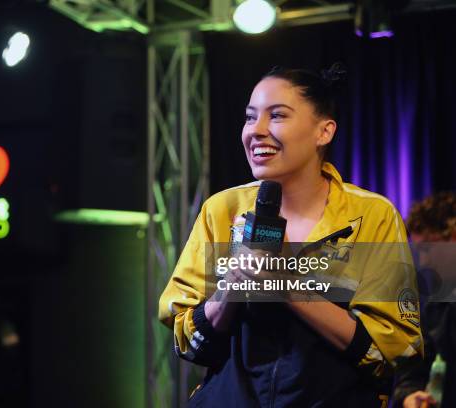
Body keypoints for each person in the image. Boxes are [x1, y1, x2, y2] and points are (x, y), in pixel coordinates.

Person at [158, 64, 423, 407]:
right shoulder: (222, 209)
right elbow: (187, 341)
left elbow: (392, 350)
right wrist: (232, 288)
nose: (257, 131)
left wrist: (286, 286)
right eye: (250, 117)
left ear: (324, 132)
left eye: (277, 116)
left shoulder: (372, 215)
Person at [392, 192, 456, 408]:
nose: (424, 260)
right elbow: (414, 369)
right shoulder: (436, 305)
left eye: (428, 247)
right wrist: (410, 396)